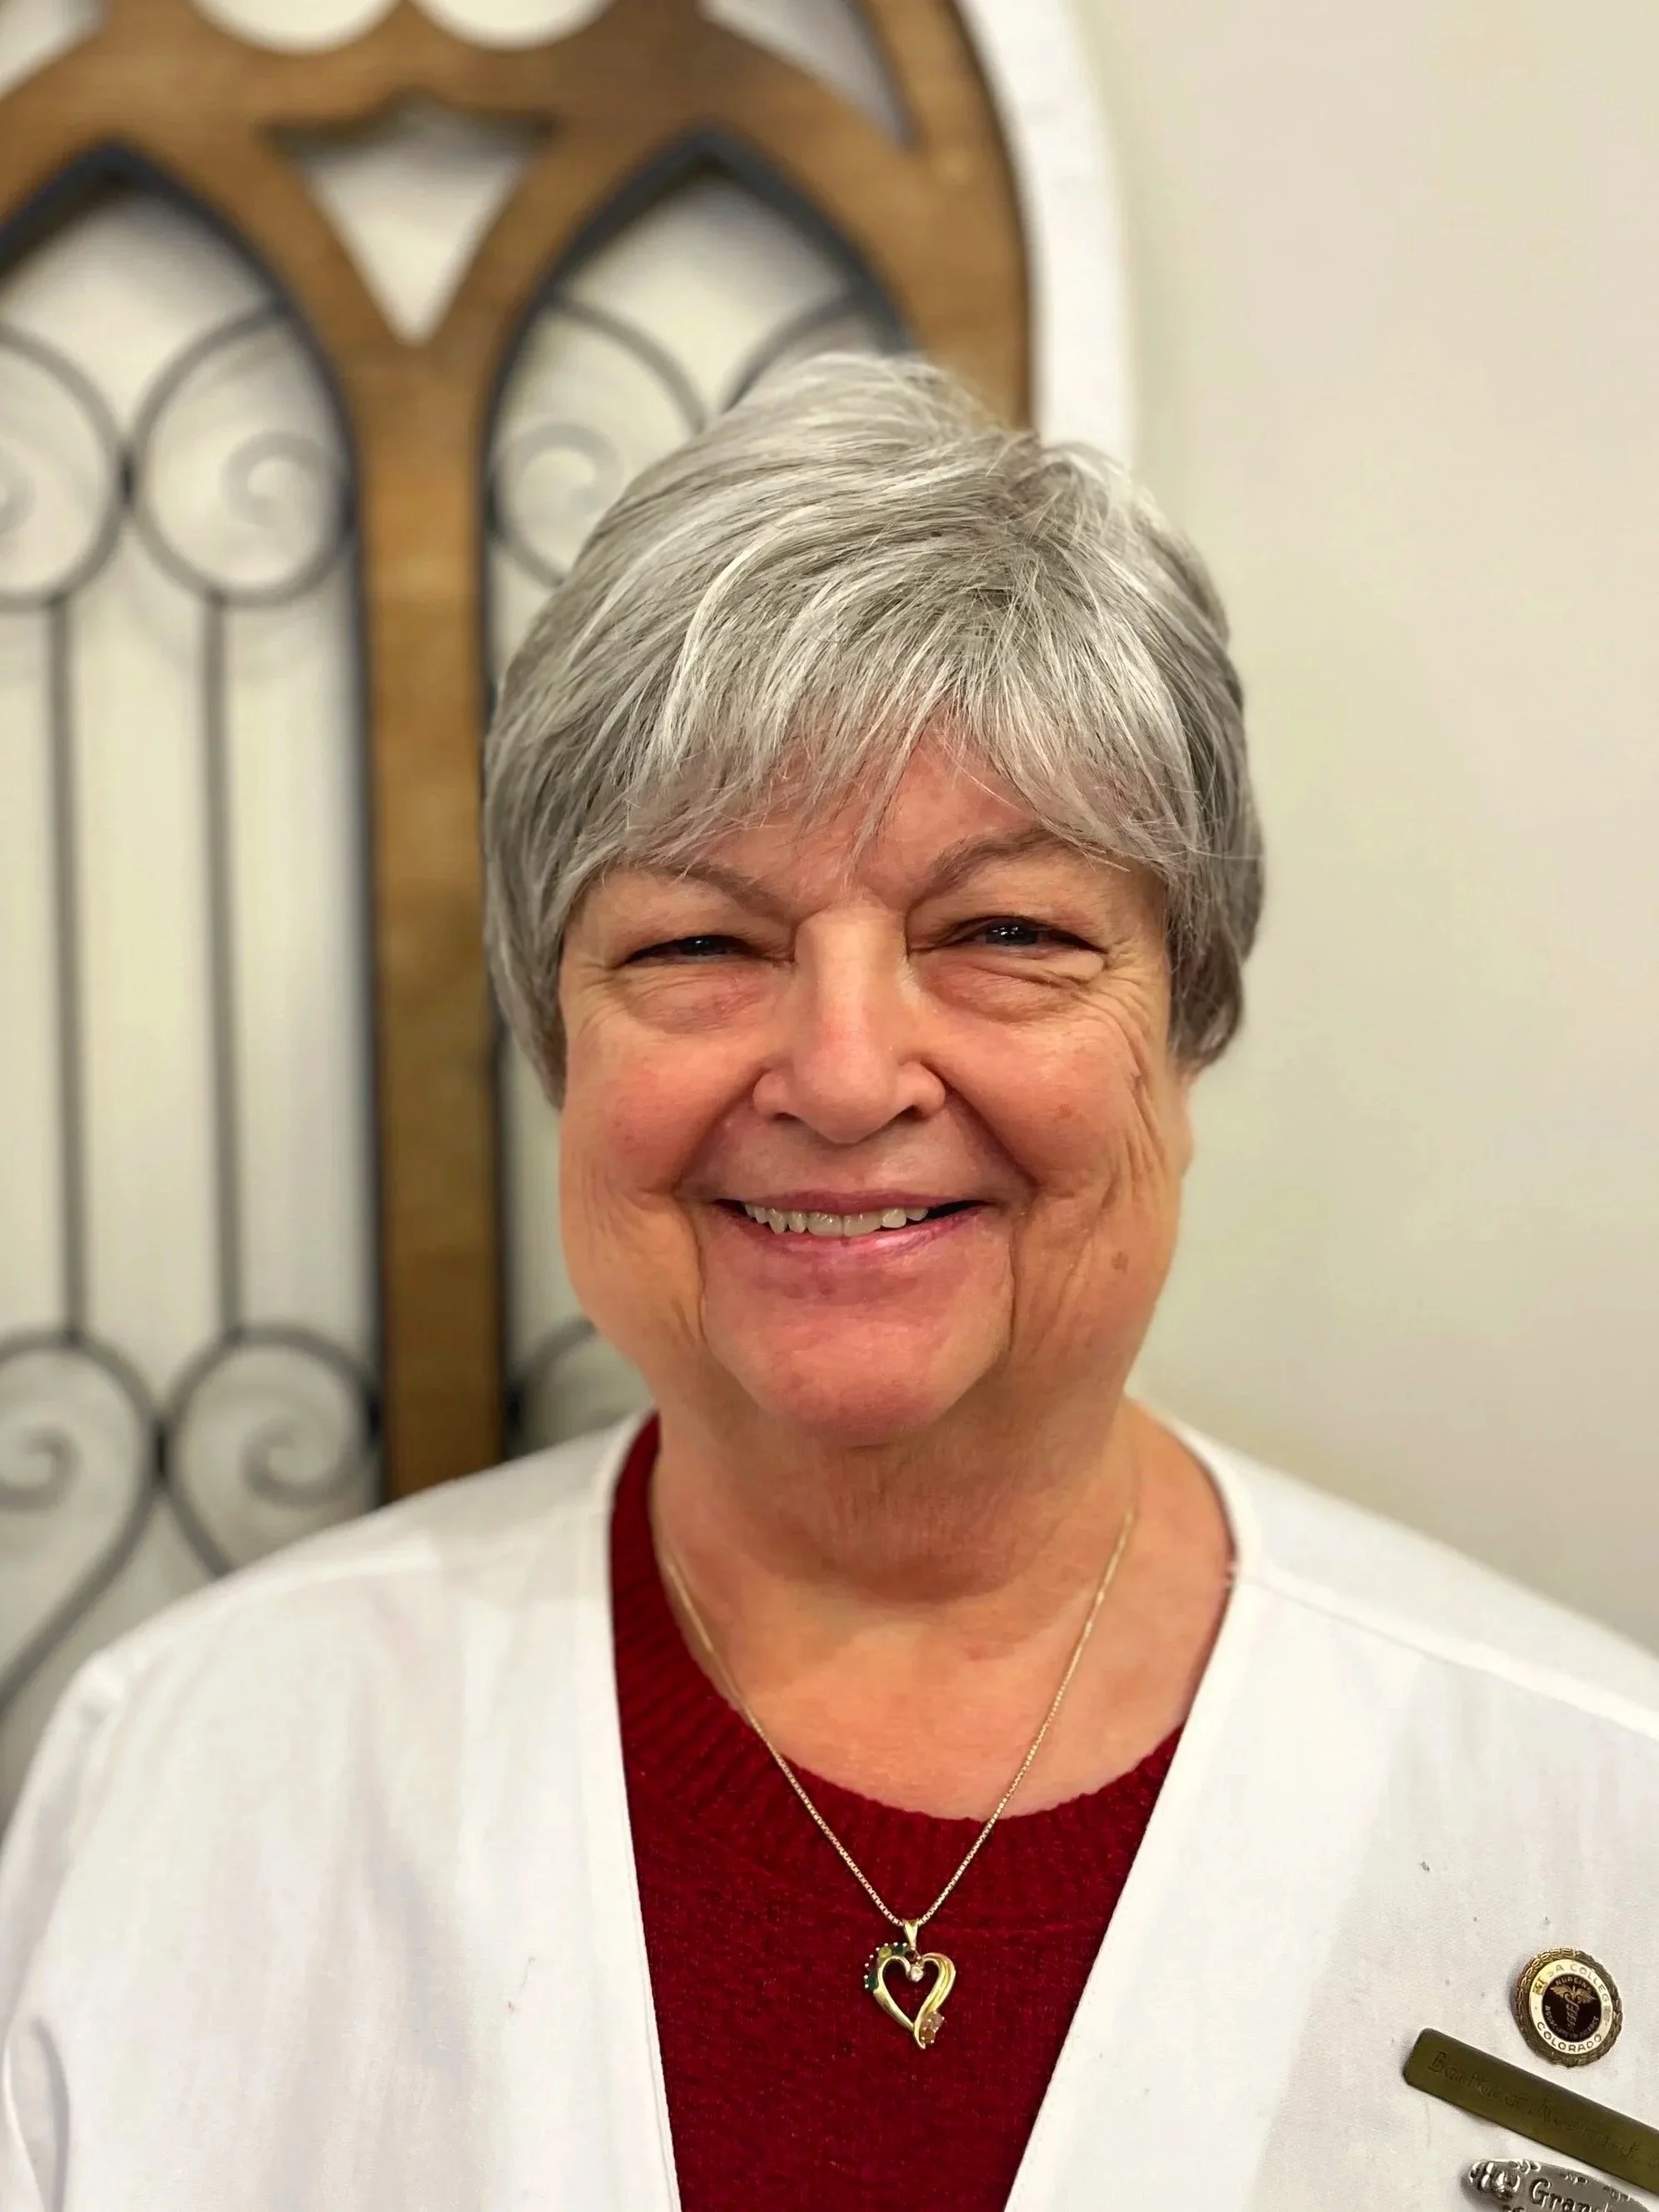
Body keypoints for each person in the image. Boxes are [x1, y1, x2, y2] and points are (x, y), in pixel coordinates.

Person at [3, 357, 1658, 2212]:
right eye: (699, 939)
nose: (848, 1071)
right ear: (563, 1044)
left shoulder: (1597, 1800)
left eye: (1007, 932)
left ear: (1185, 1026)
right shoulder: (193, 1772)